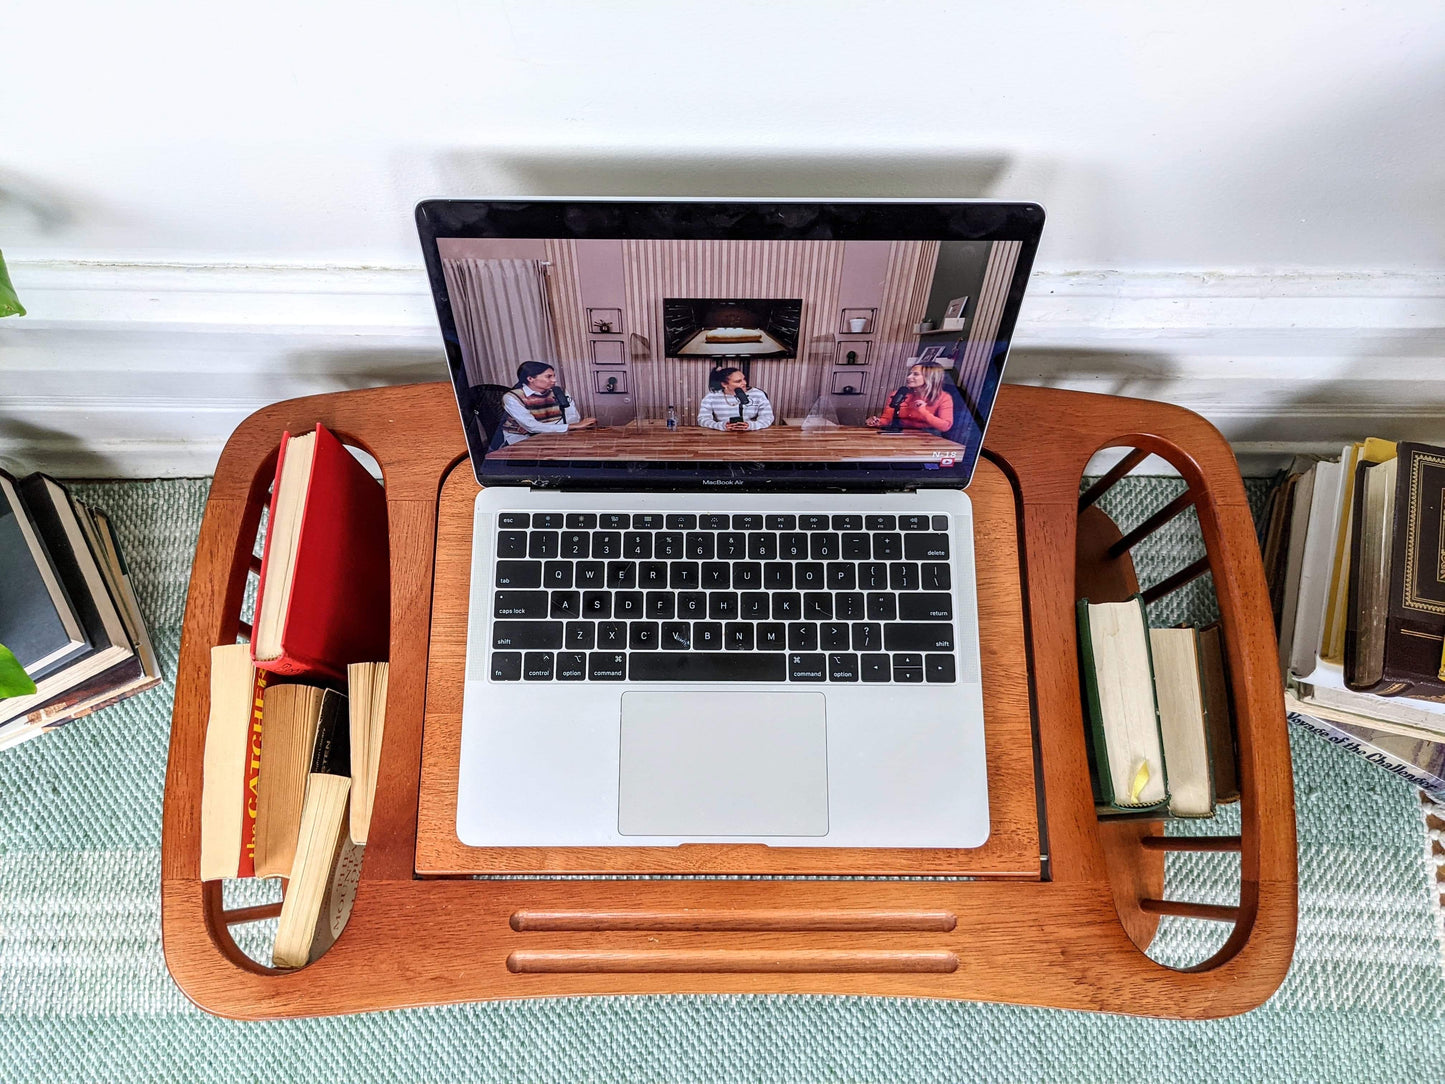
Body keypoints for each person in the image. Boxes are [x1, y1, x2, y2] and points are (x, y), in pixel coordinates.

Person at [499, 361, 596, 445]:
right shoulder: (512, 397)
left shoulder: (559, 391)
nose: (554, 380)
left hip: (553, 435)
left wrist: (555, 428)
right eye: (548, 377)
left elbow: (573, 417)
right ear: (530, 379)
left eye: (554, 376)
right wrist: (571, 426)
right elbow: (531, 426)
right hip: (522, 438)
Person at [865, 361, 955, 434]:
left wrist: (923, 412)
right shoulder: (899, 394)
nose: (909, 377)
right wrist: (877, 422)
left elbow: (945, 427)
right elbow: (887, 419)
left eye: (915, 374)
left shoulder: (944, 398)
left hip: (928, 437)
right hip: (902, 434)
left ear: (930, 378)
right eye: (910, 374)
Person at [697, 367, 774, 432]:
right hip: (722, 436)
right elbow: (702, 419)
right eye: (738, 381)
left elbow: (768, 417)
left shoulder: (758, 394)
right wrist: (721, 426)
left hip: (752, 435)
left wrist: (751, 425)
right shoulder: (711, 397)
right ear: (724, 384)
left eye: (744, 379)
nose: (744, 383)